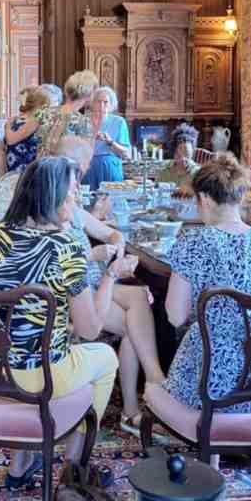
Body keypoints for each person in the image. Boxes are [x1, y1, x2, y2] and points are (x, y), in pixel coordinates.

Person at [0, 156, 122, 488]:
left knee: (56, 349)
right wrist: (111, 275)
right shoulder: (65, 248)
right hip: (36, 375)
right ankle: (74, 467)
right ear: (49, 196)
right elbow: (91, 329)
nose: (76, 201)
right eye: (71, 194)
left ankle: (20, 462)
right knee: (105, 358)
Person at [145, 154, 251, 427]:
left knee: (156, 385)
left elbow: (175, 318)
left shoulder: (193, 243)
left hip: (209, 385)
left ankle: (212, 446)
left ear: (203, 199)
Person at [57, 135, 166, 436]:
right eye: (76, 176)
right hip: (75, 295)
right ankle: (140, 399)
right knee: (137, 320)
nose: (79, 183)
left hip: (94, 284)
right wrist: (96, 257)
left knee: (139, 299)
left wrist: (115, 253)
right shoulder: (51, 215)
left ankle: (146, 390)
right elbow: (60, 266)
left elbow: (112, 235)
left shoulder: (73, 210)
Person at [34, 70, 98, 156]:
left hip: (41, 166)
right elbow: (86, 156)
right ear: (89, 95)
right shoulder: (84, 122)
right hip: (65, 168)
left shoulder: (43, 112)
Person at [81, 86, 131, 189]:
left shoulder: (119, 122)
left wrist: (110, 141)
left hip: (110, 167)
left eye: (105, 102)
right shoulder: (83, 121)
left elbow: (126, 152)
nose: (102, 105)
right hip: (87, 167)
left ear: (111, 104)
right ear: (92, 103)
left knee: (111, 201)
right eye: (98, 101)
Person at [4, 86, 51, 172]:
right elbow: (11, 140)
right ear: (39, 103)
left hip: (13, 164)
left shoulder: (13, 120)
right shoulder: (34, 120)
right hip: (25, 167)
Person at [157, 122, 201, 191]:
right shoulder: (163, 168)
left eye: (187, 153)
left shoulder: (197, 172)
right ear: (174, 152)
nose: (183, 157)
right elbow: (157, 189)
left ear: (192, 153)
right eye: (180, 151)